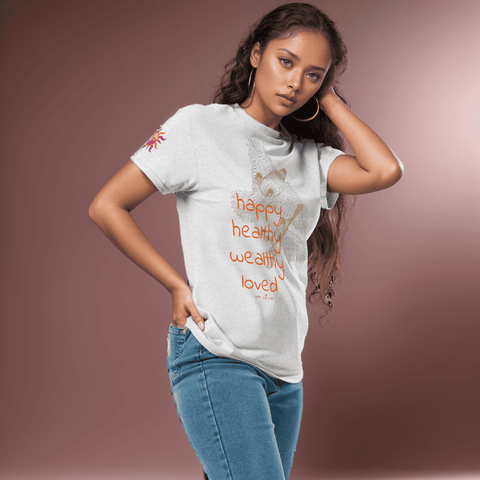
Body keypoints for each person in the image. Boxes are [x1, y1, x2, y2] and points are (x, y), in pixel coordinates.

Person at [88, 3, 404, 479]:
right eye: (286, 61)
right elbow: (107, 205)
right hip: (217, 353)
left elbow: (384, 170)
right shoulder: (198, 128)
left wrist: (332, 99)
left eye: (313, 75)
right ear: (256, 54)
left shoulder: (313, 159)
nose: (296, 82)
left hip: (284, 370)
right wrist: (176, 285)